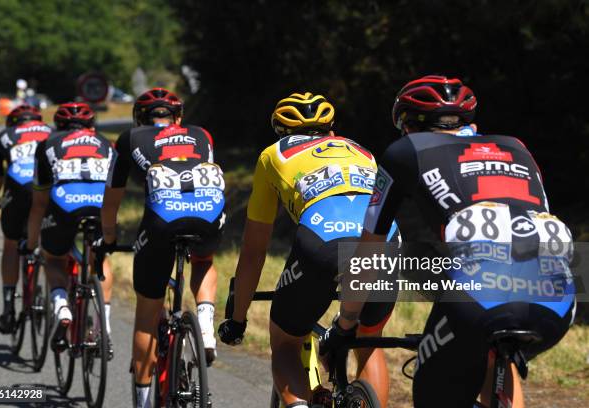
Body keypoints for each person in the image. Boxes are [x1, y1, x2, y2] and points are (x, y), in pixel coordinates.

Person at [321, 76, 576, 407]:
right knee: (498, 356)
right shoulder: (516, 147)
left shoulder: (404, 151)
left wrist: (346, 323)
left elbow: (370, 252)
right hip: (560, 295)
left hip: (479, 292)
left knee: (435, 391)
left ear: (408, 125)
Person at [218, 92, 399, 408]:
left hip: (324, 239)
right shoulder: (362, 151)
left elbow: (254, 249)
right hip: (388, 241)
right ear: (331, 130)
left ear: (281, 132)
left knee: (286, 341)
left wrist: (238, 317)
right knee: (368, 340)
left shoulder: (272, 156)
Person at [100, 88, 225, 407]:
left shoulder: (130, 138)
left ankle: (142, 401)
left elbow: (112, 198)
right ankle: (206, 323)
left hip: (161, 221)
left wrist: (110, 237)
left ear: (140, 118)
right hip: (208, 214)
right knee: (203, 259)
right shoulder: (201, 134)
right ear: (178, 117)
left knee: (147, 312)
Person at [25, 102, 116, 357]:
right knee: (100, 259)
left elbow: (39, 203)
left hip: (65, 203)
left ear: (59, 126)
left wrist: (32, 243)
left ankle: (62, 305)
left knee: (53, 258)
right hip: (100, 204)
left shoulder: (48, 144)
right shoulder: (107, 143)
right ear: (91, 126)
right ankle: (103, 327)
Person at [0, 104, 52, 334]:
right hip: (49, 190)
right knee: (51, 239)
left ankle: (9, 307)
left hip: (18, 189)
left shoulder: (1, 138)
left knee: (11, 243)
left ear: (12, 122)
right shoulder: (53, 133)